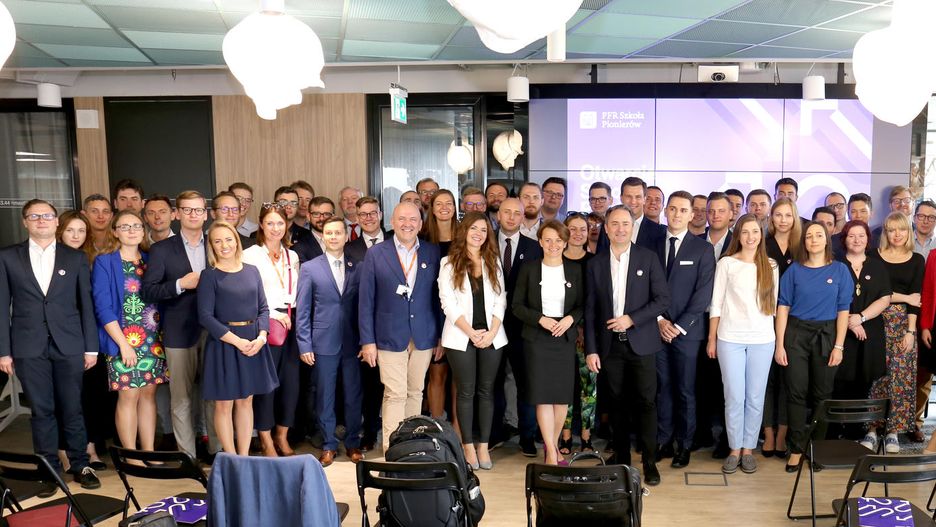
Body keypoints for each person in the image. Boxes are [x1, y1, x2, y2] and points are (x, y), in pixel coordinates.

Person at [0, 200, 101, 490]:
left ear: (56, 222)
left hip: (69, 343)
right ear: (25, 222)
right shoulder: (7, 257)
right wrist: (4, 351)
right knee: (42, 410)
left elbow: (86, 305)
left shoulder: (75, 257)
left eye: (47, 215)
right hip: (27, 345)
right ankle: (49, 471)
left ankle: (80, 465)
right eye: (34, 216)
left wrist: (91, 347)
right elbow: (1, 306)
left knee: (72, 408)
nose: (41, 220)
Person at [585, 205, 670, 486]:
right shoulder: (596, 263)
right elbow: (591, 310)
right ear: (606, 228)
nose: (620, 229)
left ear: (632, 227)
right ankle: (622, 459)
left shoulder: (648, 257)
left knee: (646, 403)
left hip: (642, 344)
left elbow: (662, 299)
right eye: (615, 224)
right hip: (610, 347)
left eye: (625, 223)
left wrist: (632, 319)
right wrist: (591, 349)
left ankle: (649, 462)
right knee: (616, 404)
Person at [358, 201, 442, 453]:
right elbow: (366, 300)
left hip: (423, 334)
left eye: (413, 219)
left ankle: (411, 448)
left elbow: (437, 298)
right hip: (388, 335)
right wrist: (367, 341)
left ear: (421, 224)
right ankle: (392, 451)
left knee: (416, 392)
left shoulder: (432, 252)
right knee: (395, 393)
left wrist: (439, 336)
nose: (407, 224)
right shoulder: (376, 253)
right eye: (402, 219)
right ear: (392, 222)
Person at [142, 190, 215, 460]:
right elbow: (148, 291)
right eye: (187, 209)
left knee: (214, 394)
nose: (193, 214)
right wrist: (180, 284)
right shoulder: (161, 250)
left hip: (216, 331)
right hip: (178, 330)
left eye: (198, 210)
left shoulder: (217, 243)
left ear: (206, 215)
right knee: (181, 398)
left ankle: (217, 451)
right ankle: (188, 457)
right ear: (177, 214)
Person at [775, 221, 852, 472]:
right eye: (809, 236)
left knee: (822, 394)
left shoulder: (840, 270)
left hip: (827, 335)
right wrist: (780, 344)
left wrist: (839, 346)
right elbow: (783, 307)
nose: (814, 240)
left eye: (819, 235)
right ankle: (797, 449)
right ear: (804, 242)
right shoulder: (794, 271)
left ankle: (816, 447)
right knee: (796, 392)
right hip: (796, 335)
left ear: (827, 240)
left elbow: (843, 310)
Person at [92, 210, 168, 459]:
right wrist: (123, 344)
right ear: (115, 232)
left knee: (148, 395)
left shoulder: (151, 259)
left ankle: (148, 453)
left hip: (152, 339)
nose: (132, 230)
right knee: (128, 395)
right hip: (121, 339)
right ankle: (131, 457)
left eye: (136, 225)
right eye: (125, 227)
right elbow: (103, 307)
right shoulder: (105, 262)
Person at [707, 214, 778, 475]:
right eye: (745, 232)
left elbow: (773, 307)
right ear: (738, 235)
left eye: (755, 232)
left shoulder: (771, 265)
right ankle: (734, 448)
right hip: (730, 338)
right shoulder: (727, 263)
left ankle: (748, 449)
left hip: (762, 339)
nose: (751, 237)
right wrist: (712, 338)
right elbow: (716, 303)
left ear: (761, 235)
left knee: (755, 397)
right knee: (734, 396)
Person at [198, 221, 278, 455]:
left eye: (228, 239)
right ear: (212, 246)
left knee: (246, 401)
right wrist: (237, 341)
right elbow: (205, 316)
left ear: (236, 240)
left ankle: (243, 456)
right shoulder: (209, 275)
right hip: (225, 344)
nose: (224, 245)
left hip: (253, 343)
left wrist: (261, 337)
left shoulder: (252, 270)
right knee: (224, 404)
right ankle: (231, 457)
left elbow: (263, 309)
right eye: (218, 241)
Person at [512, 220, 584, 465]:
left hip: (563, 338)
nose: (553, 245)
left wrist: (570, 320)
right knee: (542, 396)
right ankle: (552, 453)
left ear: (565, 243)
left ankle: (550, 446)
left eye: (558, 240)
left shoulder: (575, 269)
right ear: (540, 242)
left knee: (561, 397)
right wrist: (540, 319)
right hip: (537, 338)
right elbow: (516, 306)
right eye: (548, 240)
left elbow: (583, 304)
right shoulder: (529, 269)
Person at [439, 212, 507, 469]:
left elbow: (501, 299)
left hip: (492, 335)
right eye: (474, 229)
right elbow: (448, 303)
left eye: (483, 230)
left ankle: (483, 446)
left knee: (486, 391)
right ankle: (468, 447)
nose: (479, 234)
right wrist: (471, 332)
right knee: (465, 391)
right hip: (461, 335)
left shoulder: (493, 261)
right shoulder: (448, 263)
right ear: (464, 231)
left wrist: (492, 331)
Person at [653, 191, 716, 469]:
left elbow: (703, 296)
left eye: (683, 210)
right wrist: (659, 320)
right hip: (656, 329)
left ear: (692, 214)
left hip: (687, 333)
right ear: (666, 211)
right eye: (673, 208)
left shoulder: (703, 249)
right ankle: (663, 440)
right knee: (662, 388)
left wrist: (677, 326)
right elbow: (643, 288)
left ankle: (684, 444)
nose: (677, 214)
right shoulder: (652, 245)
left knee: (685, 390)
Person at [296, 216, 364, 467]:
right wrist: (304, 344)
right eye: (329, 233)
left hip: (353, 341)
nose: (334, 237)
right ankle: (328, 444)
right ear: (323, 236)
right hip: (322, 341)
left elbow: (364, 306)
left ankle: (353, 442)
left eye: (338, 233)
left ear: (346, 236)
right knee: (325, 395)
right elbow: (303, 310)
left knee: (353, 394)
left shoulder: (358, 265)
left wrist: (366, 340)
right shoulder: (310, 268)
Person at [862, 212, 925, 453]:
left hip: (903, 324)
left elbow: (916, 299)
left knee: (901, 378)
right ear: (885, 233)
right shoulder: (873, 256)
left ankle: (893, 432)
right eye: (891, 230)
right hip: (875, 320)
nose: (897, 234)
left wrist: (910, 331)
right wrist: (905, 297)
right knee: (876, 377)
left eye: (901, 229)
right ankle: (871, 429)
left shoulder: (917, 259)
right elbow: (875, 291)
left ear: (908, 232)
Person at [241, 204, 301, 457]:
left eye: (280, 223)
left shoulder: (292, 256)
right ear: (261, 225)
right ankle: (265, 439)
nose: (275, 228)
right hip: (266, 323)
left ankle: (282, 435)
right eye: (270, 223)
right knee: (267, 385)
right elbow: (248, 295)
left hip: (292, 321)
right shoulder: (250, 255)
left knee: (291, 383)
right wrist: (273, 315)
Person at [56, 211, 107, 471]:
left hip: (90, 337)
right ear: (60, 232)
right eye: (70, 230)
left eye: (81, 231)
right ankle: (64, 451)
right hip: (61, 339)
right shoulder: (50, 260)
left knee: (91, 396)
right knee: (64, 398)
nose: (76, 236)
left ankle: (90, 448)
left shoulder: (91, 260)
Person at [494, 197, 543, 457]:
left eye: (517, 213)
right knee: (492, 382)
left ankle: (527, 436)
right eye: (507, 212)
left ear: (523, 217)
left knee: (526, 383)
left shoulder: (534, 248)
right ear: (498, 215)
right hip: (490, 325)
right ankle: (494, 433)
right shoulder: (484, 241)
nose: (511, 217)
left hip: (523, 327)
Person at [344, 197, 387, 451]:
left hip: (392, 324)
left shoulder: (395, 240)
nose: (368, 218)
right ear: (357, 218)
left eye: (373, 213)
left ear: (380, 214)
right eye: (363, 214)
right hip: (364, 326)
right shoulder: (350, 249)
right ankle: (370, 431)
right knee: (369, 385)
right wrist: (362, 336)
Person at [833, 220, 890, 403]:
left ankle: (859, 422)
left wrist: (861, 317)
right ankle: (837, 422)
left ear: (868, 239)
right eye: (851, 236)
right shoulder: (835, 265)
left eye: (861, 236)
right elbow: (829, 299)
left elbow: (885, 298)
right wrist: (850, 321)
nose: (857, 240)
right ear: (844, 239)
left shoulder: (877, 266)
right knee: (839, 384)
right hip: (841, 332)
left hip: (870, 333)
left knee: (864, 386)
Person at [762, 197, 801, 459]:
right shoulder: (762, 244)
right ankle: (768, 432)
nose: (783, 220)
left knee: (789, 379)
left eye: (788, 215)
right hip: (765, 316)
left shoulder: (802, 246)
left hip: (795, 319)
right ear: (771, 217)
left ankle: (783, 433)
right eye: (778, 215)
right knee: (767, 380)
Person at [559, 213, 596, 454]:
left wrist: (585, 327)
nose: (578, 233)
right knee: (563, 384)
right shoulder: (554, 260)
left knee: (588, 386)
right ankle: (564, 436)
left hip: (588, 332)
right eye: (573, 229)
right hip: (561, 331)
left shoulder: (595, 261)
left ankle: (586, 436)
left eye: (583, 229)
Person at [420, 189, 458, 422]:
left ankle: (458, 431)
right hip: (432, 314)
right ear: (431, 209)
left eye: (449, 203)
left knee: (460, 379)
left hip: (461, 317)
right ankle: (437, 429)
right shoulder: (423, 239)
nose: (444, 208)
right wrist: (437, 332)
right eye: (439, 204)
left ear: (455, 207)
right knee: (437, 374)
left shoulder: (465, 237)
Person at [272, 186, 318, 264]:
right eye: (283, 202)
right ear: (274, 204)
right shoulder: (258, 235)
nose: (288, 206)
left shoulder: (308, 235)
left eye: (293, 203)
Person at [620, 177, 665, 249]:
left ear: (644, 199)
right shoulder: (608, 226)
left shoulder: (660, 231)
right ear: (621, 198)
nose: (633, 202)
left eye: (638, 197)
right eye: (629, 196)